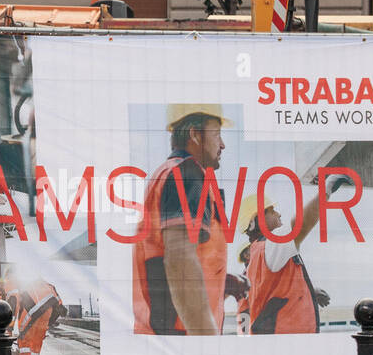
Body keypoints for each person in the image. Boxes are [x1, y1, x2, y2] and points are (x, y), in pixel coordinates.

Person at [133, 104, 247, 335]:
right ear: (195, 135)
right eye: (216, 135)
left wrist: (222, 281)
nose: (222, 144)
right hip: (182, 335)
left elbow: (170, 257)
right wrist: (205, 342)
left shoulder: (169, 172)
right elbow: (180, 260)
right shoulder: (186, 172)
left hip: (166, 331)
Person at [238, 181, 339, 334]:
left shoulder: (261, 251)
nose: (278, 214)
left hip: (281, 341)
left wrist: (308, 292)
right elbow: (301, 225)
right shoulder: (270, 245)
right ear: (257, 221)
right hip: (286, 342)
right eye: (272, 211)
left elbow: (274, 293)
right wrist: (326, 189)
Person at [0, 271, 68, 355]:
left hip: (30, 318)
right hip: (45, 317)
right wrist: (48, 324)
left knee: (24, 345)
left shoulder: (11, 282)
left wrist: (9, 329)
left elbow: (13, 302)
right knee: (35, 347)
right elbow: (61, 309)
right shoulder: (48, 286)